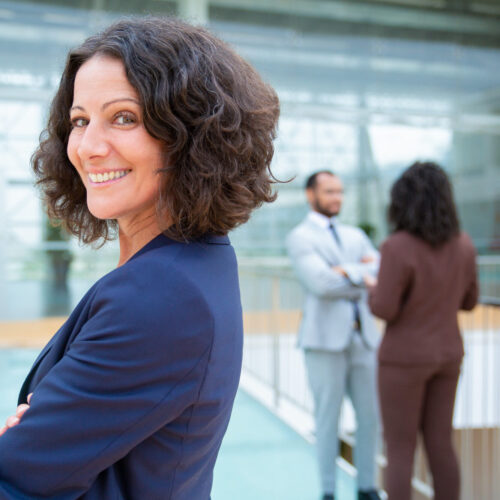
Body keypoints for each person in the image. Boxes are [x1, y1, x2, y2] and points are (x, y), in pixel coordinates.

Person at [0, 17, 279, 499]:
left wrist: (22, 444)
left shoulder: (162, 294)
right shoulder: (196, 262)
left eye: (124, 118)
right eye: (80, 121)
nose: (88, 147)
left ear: (192, 133)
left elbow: (17, 479)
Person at [366, 161, 478, 500]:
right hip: (448, 355)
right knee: (441, 443)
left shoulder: (396, 246)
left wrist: (373, 287)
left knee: (400, 448)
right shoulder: (464, 243)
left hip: (403, 360)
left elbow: (384, 309)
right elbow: (470, 302)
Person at [286, 171, 381, 500]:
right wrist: (362, 275)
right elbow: (322, 284)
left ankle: (367, 487)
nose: (336, 197)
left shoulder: (355, 234)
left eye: (339, 191)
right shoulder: (300, 236)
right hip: (323, 341)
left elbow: (381, 269)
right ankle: (328, 491)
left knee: (371, 418)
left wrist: (345, 271)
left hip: (364, 338)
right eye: (329, 191)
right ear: (310, 195)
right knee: (328, 420)